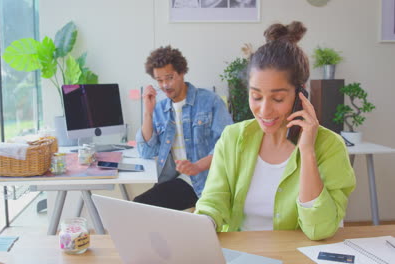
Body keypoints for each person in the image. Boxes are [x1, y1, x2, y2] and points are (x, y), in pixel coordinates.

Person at [195, 21, 356, 241]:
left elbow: (319, 229)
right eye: (256, 96)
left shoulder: (330, 146)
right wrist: (200, 225)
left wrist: (307, 150)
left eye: (278, 98)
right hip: (239, 255)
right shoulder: (233, 137)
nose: (264, 110)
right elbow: (214, 200)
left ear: (301, 95)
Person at [134, 46, 233, 210]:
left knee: (142, 208)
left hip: (207, 180)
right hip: (179, 179)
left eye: (170, 77)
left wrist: (197, 166)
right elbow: (146, 151)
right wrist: (148, 112)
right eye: (159, 80)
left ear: (181, 73)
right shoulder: (160, 109)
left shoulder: (210, 101)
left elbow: (228, 146)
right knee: (139, 208)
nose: (165, 85)